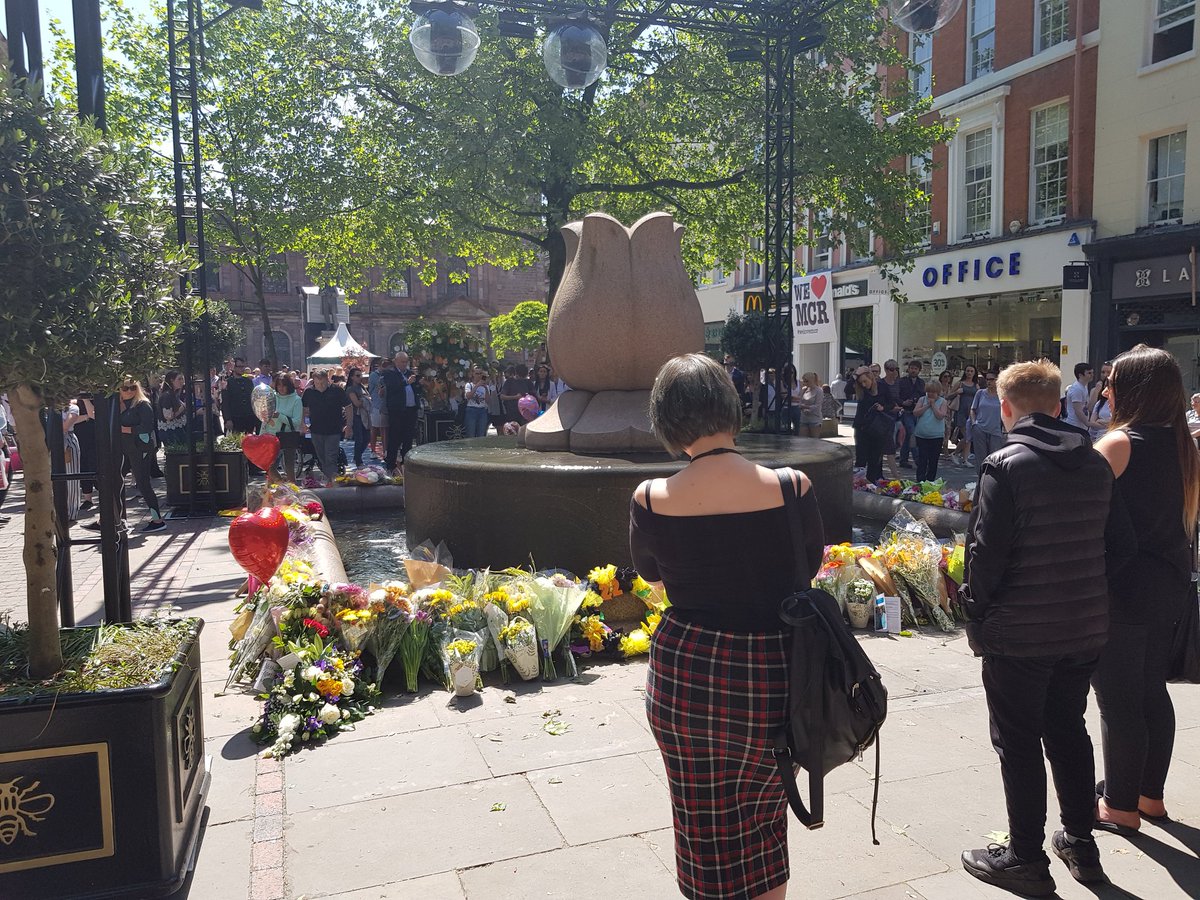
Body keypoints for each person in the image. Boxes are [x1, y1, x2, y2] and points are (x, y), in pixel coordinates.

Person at [629, 353, 824, 900]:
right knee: (766, 811)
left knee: (700, 818)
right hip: (776, 673)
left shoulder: (650, 497)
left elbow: (653, 577)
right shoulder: (793, 487)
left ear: (665, 419)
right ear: (730, 409)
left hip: (687, 675)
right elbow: (804, 570)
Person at [959, 359, 1128, 896]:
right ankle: (1080, 841)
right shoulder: (1096, 464)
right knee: (1067, 729)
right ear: (1059, 407)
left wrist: (973, 611)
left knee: (1018, 740)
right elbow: (1123, 548)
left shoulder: (1004, 464)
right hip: (1083, 628)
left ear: (1005, 408)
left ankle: (1024, 856)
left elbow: (985, 557)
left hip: (1020, 634)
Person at [1092, 345, 1200, 837]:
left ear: (1133, 389)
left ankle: (1119, 808)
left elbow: (1082, 508)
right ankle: (1148, 796)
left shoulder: (1119, 443)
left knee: (1118, 700)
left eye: (1112, 381)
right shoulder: (1184, 444)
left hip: (1122, 590)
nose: (1105, 390)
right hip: (1170, 587)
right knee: (1152, 691)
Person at [117, 378, 165, 532]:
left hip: (141, 449)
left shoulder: (142, 404)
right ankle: (113, 518)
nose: (129, 391)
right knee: (115, 481)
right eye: (125, 388)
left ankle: (158, 520)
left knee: (143, 484)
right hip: (126, 449)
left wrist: (127, 430)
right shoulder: (120, 404)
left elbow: (147, 426)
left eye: (132, 388)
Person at [301, 370, 351, 484]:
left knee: (330, 457)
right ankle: (331, 478)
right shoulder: (309, 392)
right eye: (317, 384)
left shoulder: (337, 390)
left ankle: (333, 482)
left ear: (327, 380)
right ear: (314, 382)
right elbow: (303, 408)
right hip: (316, 429)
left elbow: (348, 406)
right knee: (321, 457)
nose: (320, 386)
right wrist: (302, 424)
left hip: (334, 429)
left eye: (323, 383)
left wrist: (349, 425)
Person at [381, 352, 422, 472]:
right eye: (402, 362)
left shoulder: (410, 373)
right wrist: (406, 382)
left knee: (408, 439)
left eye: (406, 362)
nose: (405, 364)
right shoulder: (390, 373)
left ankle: (406, 465)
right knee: (394, 439)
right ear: (396, 361)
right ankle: (390, 466)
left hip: (410, 411)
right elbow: (392, 388)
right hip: (397, 411)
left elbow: (416, 390)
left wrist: (420, 384)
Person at [852, 365, 893, 482]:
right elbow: (848, 389)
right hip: (862, 427)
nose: (864, 384)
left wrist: (883, 407)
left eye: (865, 381)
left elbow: (891, 404)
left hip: (877, 427)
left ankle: (873, 481)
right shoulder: (861, 390)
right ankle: (858, 482)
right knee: (861, 457)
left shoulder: (882, 387)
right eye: (861, 383)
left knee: (875, 458)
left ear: (871, 377)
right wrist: (856, 375)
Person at [263, 373, 302, 483]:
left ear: (289, 386)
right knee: (269, 466)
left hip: (287, 436)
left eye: (284, 385)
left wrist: (280, 416)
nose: (281, 388)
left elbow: (296, 422)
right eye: (279, 385)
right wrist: (261, 434)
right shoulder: (272, 398)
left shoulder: (296, 400)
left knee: (289, 466)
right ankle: (278, 489)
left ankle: (290, 491)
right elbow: (265, 417)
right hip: (271, 436)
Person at [970, 371, 1005, 477]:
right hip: (980, 428)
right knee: (980, 458)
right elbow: (973, 409)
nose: (989, 382)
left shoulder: (1003, 395)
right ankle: (980, 482)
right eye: (987, 379)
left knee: (995, 459)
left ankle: (992, 483)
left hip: (996, 430)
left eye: (992, 379)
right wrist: (974, 423)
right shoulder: (980, 393)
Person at [912, 379, 947, 482]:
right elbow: (916, 412)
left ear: (938, 392)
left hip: (936, 436)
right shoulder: (922, 400)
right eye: (928, 391)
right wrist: (927, 405)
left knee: (933, 460)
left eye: (933, 392)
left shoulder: (943, 401)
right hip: (922, 435)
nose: (930, 394)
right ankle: (920, 480)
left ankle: (930, 481)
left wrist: (933, 405)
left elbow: (940, 416)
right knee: (922, 460)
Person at [896, 360, 925, 468]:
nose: (913, 370)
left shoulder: (921, 383)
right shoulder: (902, 381)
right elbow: (896, 396)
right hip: (906, 411)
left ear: (919, 370)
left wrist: (919, 403)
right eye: (911, 368)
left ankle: (903, 460)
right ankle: (918, 460)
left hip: (917, 412)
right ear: (908, 369)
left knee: (909, 436)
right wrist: (903, 402)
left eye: (915, 369)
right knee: (912, 433)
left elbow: (923, 396)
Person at [952, 365, 979, 465]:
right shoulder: (960, 383)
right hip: (961, 412)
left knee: (969, 437)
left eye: (971, 371)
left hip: (971, 412)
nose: (969, 373)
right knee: (967, 436)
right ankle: (955, 454)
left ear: (974, 373)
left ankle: (965, 459)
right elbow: (948, 396)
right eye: (967, 371)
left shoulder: (976, 385)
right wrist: (956, 392)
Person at [345, 367, 371, 467]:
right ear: (352, 377)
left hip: (365, 415)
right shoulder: (350, 389)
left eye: (361, 375)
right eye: (357, 375)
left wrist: (365, 400)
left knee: (366, 438)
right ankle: (358, 460)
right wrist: (364, 400)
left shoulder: (362, 387)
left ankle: (357, 456)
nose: (360, 377)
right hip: (356, 415)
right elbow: (356, 403)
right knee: (359, 438)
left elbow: (367, 398)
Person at [156, 371, 188, 447]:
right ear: (171, 381)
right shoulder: (167, 395)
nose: (182, 381)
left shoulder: (174, 394)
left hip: (177, 430)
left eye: (183, 379)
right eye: (179, 379)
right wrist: (183, 407)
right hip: (170, 432)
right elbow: (168, 416)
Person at [368, 358, 390, 460]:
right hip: (376, 406)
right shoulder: (374, 375)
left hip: (385, 406)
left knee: (384, 429)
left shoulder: (387, 375)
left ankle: (385, 451)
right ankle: (373, 451)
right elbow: (381, 387)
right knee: (374, 429)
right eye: (384, 365)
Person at [1064, 362, 1093, 431]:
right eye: (1089, 373)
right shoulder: (1076, 389)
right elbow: (1078, 411)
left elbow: (1085, 407)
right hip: (1074, 427)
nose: (1092, 375)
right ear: (1080, 375)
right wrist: (1088, 423)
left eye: (1092, 373)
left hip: (1080, 427)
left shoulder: (1083, 387)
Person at [464, 367, 492, 438]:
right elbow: (468, 396)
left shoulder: (486, 387)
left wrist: (485, 388)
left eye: (480, 374)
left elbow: (488, 401)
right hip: (471, 410)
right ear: (473, 374)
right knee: (471, 434)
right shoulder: (469, 385)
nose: (479, 375)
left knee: (482, 434)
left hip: (482, 411)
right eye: (477, 373)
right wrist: (477, 385)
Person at [795, 371, 823, 438]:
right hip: (804, 418)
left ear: (811, 380)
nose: (805, 383)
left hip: (814, 419)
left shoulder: (819, 391)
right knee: (802, 440)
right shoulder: (804, 389)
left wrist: (806, 407)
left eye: (806, 381)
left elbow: (818, 405)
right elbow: (799, 401)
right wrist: (801, 407)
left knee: (814, 441)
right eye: (804, 381)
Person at [1088, 376, 1112, 442]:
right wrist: (1105, 425)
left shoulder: (1119, 403)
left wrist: (1100, 421)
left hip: (1111, 436)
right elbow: (1092, 422)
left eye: (1109, 386)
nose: (1106, 389)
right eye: (1105, 386)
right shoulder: (1100, 403)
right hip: (1099, 437)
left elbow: (1116, 422)